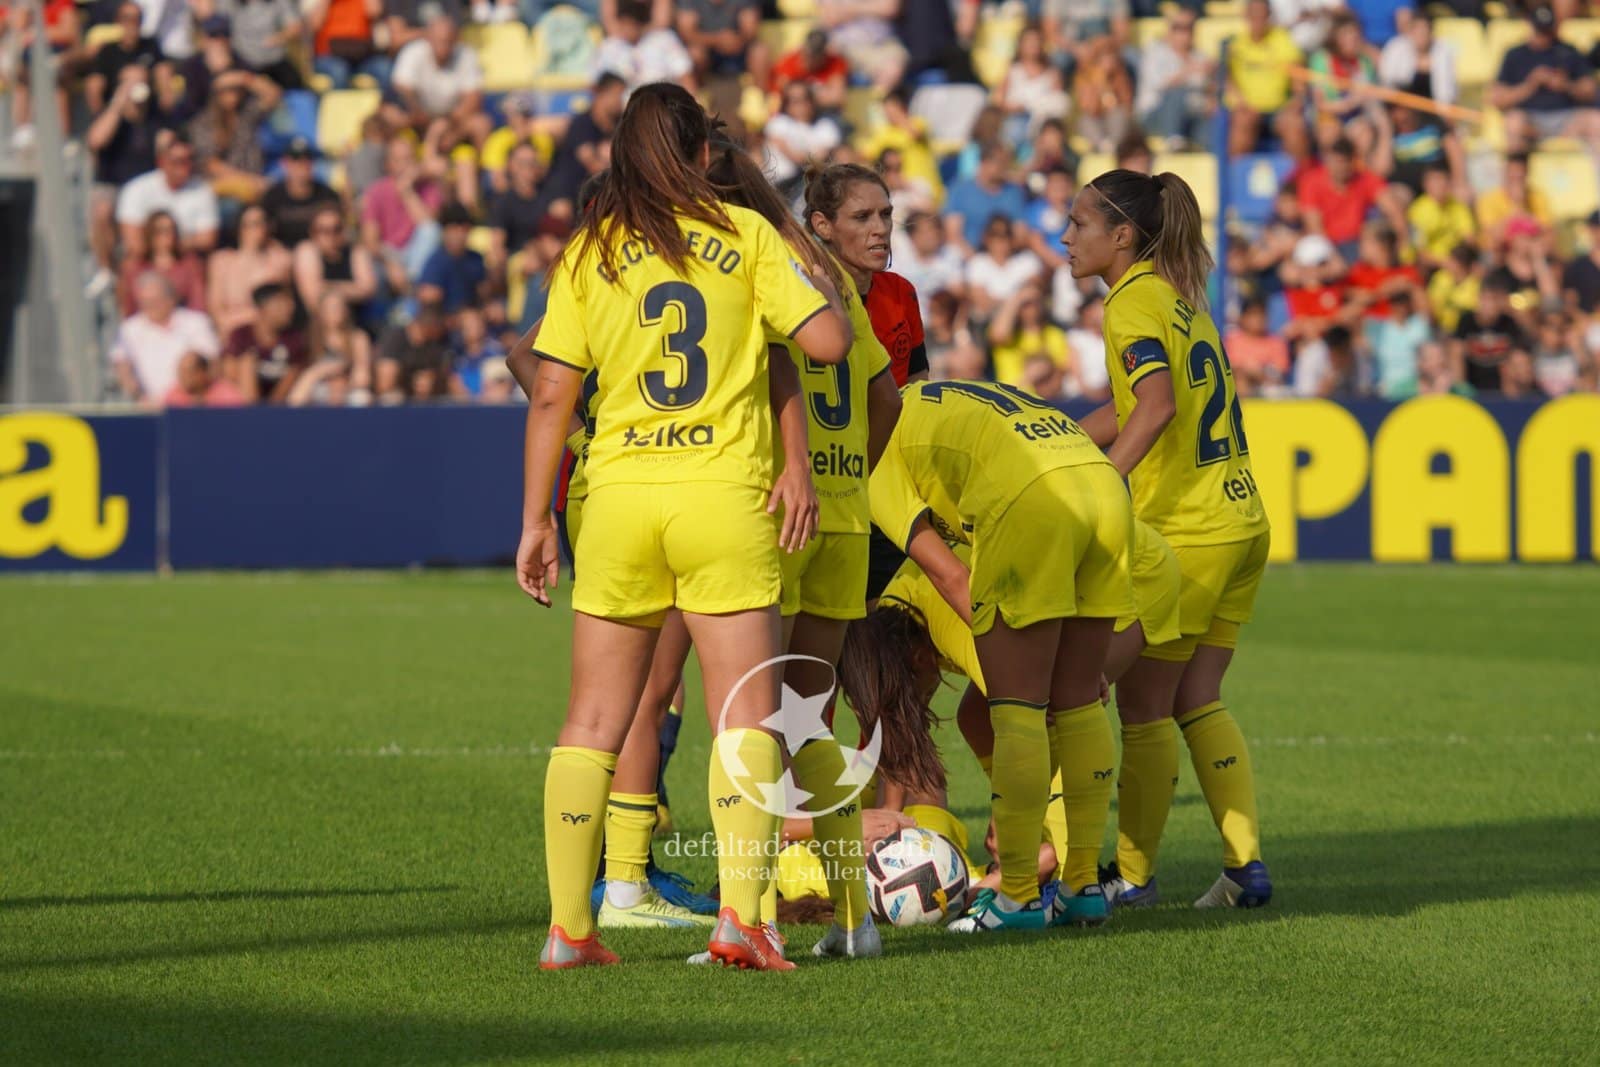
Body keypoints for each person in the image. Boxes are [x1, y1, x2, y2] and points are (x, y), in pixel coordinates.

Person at [514, 82, 851, 971]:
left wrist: (535, 520)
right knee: (744, 710)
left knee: (592, 716)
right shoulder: (742, 236)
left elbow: (550, 388)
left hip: (619, 494)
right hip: (722, 495)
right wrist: (786, 236)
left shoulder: (592, 248)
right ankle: (742, 921)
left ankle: (569, 930)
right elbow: (827, 345)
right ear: (705, 154)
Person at [1065, 169, 1274, 909]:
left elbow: (1150, 411)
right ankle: (1245, 868)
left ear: (1122, 236)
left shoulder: (1129, 304)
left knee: (1139, 705)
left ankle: (1135, 876)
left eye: (1080, 223)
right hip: (1242, 519)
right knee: (1197, 696)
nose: (1066, 237)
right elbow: (1134, 409)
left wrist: (1098, 491)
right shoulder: (1177, 295)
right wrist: (1053, 440)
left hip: (1189, 531)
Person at [867, 375, 1132, 932]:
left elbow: (952, 577)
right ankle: (1082, 887)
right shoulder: (927, 400)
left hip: (1031, 500)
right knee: (1081, 700)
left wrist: (1011, 652)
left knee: (1018, 709)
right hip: (1102, 484)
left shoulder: (873, 448)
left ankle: (1015, 895)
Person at [1490, 6, 1600, 153]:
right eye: (1539, 31)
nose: (1543, 37)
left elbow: (1591, 91)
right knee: (1513, 121)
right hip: (1531, 121)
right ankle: (1515, 174)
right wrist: (1531, 84)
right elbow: (1497, 99)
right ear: (1530, 26)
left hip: (1566, 119)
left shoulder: (1568, 51)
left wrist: (1566, 85)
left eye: (1546, 32)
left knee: (1596, 121)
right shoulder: (1515, 55)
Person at [111, 272, 222, 406]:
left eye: (154, 301)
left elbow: (211, 362)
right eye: (144, 302)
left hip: (194, 404)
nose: (149, 307)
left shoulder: (196, 322)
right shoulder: (130, 329)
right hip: (149, 407)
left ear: (171, 299)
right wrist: (138, 396)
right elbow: (122, 366)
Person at [116, 134, 222, 259]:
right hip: (145, 261)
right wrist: (166, 250)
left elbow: (207, 239)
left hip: (184, 262)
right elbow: (133, 241)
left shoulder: (202, 191)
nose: (184, 168)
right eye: (177, 161)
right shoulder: (136, 189)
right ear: (161, 162)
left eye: (188, 160)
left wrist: (167, 245)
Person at [1227, 0, 1308, 158]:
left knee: (1295, 126)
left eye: (1262, 15)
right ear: (1246, 16)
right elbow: (1228, 81)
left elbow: (1298, 76)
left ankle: (1301, 178)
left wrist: (1296, 100)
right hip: (1248, 109)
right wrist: (1242, 102)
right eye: (1254, 15)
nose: (1258, 19)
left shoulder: (1282, 40)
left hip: (1279, 109)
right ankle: (1235, 176)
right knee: (1242, 123)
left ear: (1269, 16)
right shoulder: (1235, 45)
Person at [207, 203, 294, 334]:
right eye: (253, 224)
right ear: (240, 228)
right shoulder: (221, 261)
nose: (259, 228)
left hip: (267, 333)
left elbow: (282, 307)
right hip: (230, 332)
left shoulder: (278, 260)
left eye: (263, 222)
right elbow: (215, 308)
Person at [1137, 10, 1216, 150]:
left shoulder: (1200, 57)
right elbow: (1160, 86)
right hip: (1155, 116)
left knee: (1214, 126)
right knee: (1176, 93)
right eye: (1178, 27)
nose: (1184, 33)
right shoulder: (1155, 53)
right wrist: (1187, 71)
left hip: (1190, 116)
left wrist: (1212, 89)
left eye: (1188, 27)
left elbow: (1205, 93)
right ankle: (1173, 140)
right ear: (1170, 30)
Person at [222, 282, 310, 403]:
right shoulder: (241, 334)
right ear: (262, 308)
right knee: (247, 362)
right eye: (281, 304)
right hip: (243, 401)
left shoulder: (294, 338)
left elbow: (293, 375)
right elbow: (229, 372)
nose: (290, 308)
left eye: (290, 303)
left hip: (280, 405)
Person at [295, 205, 378, 321]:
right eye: (324, 230)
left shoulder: (356, 251)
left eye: (337, 229)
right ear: (313, 233)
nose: (331, 236)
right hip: (320, 323)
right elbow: (312, 297)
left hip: (357, 320)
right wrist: (352, 289)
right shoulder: (307, 251)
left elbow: (368, 289)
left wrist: (327, 287)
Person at [118, 210, 206, 317]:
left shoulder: (190, 265)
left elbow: (198, 303)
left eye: (171, 230)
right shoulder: (135, 267)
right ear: (150, 234)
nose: (167, 235)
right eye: (161, 231)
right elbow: (129, 306)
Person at [944, 143, 1028, 254]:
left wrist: (999, 258)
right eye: (998, 161)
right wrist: (975, 260)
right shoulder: (960, 189)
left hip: (1006, 257)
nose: (1003, 166)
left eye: (1006, 162)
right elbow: (953, 234)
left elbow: (1020, 234)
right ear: (983, 162)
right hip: (968, 255)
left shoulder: (1014, 192)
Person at [259, 138, 342, 250]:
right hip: (282, 256)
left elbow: (339, 233)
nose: (302, 164)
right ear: (285, 163)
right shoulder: (272, 197)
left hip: (319, 255)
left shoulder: (328, 195)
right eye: (296, 159)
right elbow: (263, 232)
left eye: (307, 159)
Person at [416, 202, 489, 318]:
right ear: (445, 231)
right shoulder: (436, 263)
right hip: (447, 329)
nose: (461, 234)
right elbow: (429, 308)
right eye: (455, 228)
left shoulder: (476, 259)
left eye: (465, 228)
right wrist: (461, 319)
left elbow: (485, 295)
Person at [163, 351, 248, 407]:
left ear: (202, 373)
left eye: (187, 373)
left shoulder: (225, 394)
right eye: (180, 372)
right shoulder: (174, 396)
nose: (182, 378)